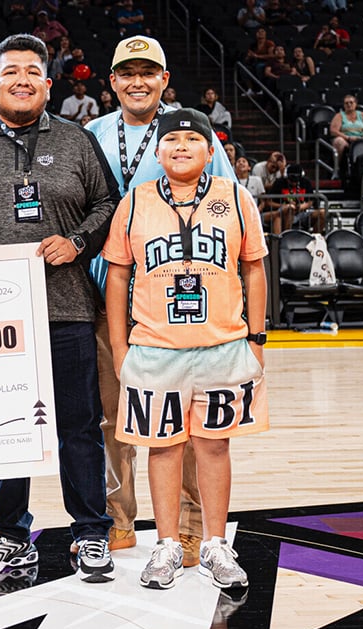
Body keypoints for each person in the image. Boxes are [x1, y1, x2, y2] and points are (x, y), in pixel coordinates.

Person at [0, 33, 119, 583]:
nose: (22, 80)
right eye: (11, 72)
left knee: (79, 426)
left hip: (67, 308)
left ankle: (90, 534)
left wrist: (78, 241)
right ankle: (10, 534)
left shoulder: (78, 140)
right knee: (1, 426)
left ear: (49, 85)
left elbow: (108, 204)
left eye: (34, 71)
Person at [101, 108, 268, 591]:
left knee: (214, 447)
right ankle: (167, 544)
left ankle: (216, 543)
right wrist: (118, 344)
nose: (180, 146)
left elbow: (254, 267)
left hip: (221, 345)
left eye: (192, 139)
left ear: (210, 151)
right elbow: (117, 273)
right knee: (163, 449)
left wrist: (257, 338)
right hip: (155, 349)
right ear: (157, 151)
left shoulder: (236, 198)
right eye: (171, 139)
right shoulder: (134, 202)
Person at [84, 34, 235, 568]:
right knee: (111, 417)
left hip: (180, 305)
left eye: (149, 72)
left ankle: (192, 528)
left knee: (190, 423)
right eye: (128, 72)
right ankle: (118, 521)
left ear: (164, 79)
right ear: (113, 81)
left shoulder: (192, 130)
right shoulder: (91, 134)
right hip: (104, 295)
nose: (138, 81)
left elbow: (230, 207)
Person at [268, 163, 322, 233]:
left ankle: (315, 238)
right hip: (284, 213)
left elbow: (311, 200)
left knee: (322, 213)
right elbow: (269, 202)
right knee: (290, 209)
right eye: (291, 181)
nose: (294, 183)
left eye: (296, 181)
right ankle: (287, 236)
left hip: (302, 213)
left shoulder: (306, 182)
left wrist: (303, 206)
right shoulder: (279, 183)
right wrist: (283, 206)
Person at [330, 94, 363, 161]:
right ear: (344, 105)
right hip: (346, 139)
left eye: (351, 102)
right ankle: (338, 167)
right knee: (338, 141)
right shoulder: (339, 116)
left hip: (361, 138)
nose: (349, 105)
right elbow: (333, 131)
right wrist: (348, 138)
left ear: (355, 104)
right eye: (346, 103)